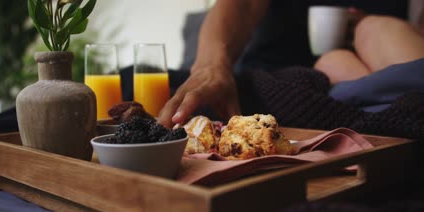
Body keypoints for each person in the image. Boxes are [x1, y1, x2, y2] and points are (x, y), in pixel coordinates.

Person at [158, 0, 424, 128]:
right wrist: (210, 65)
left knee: (370, 31)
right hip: (283, 79)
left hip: (358, 74)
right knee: (335, 59)